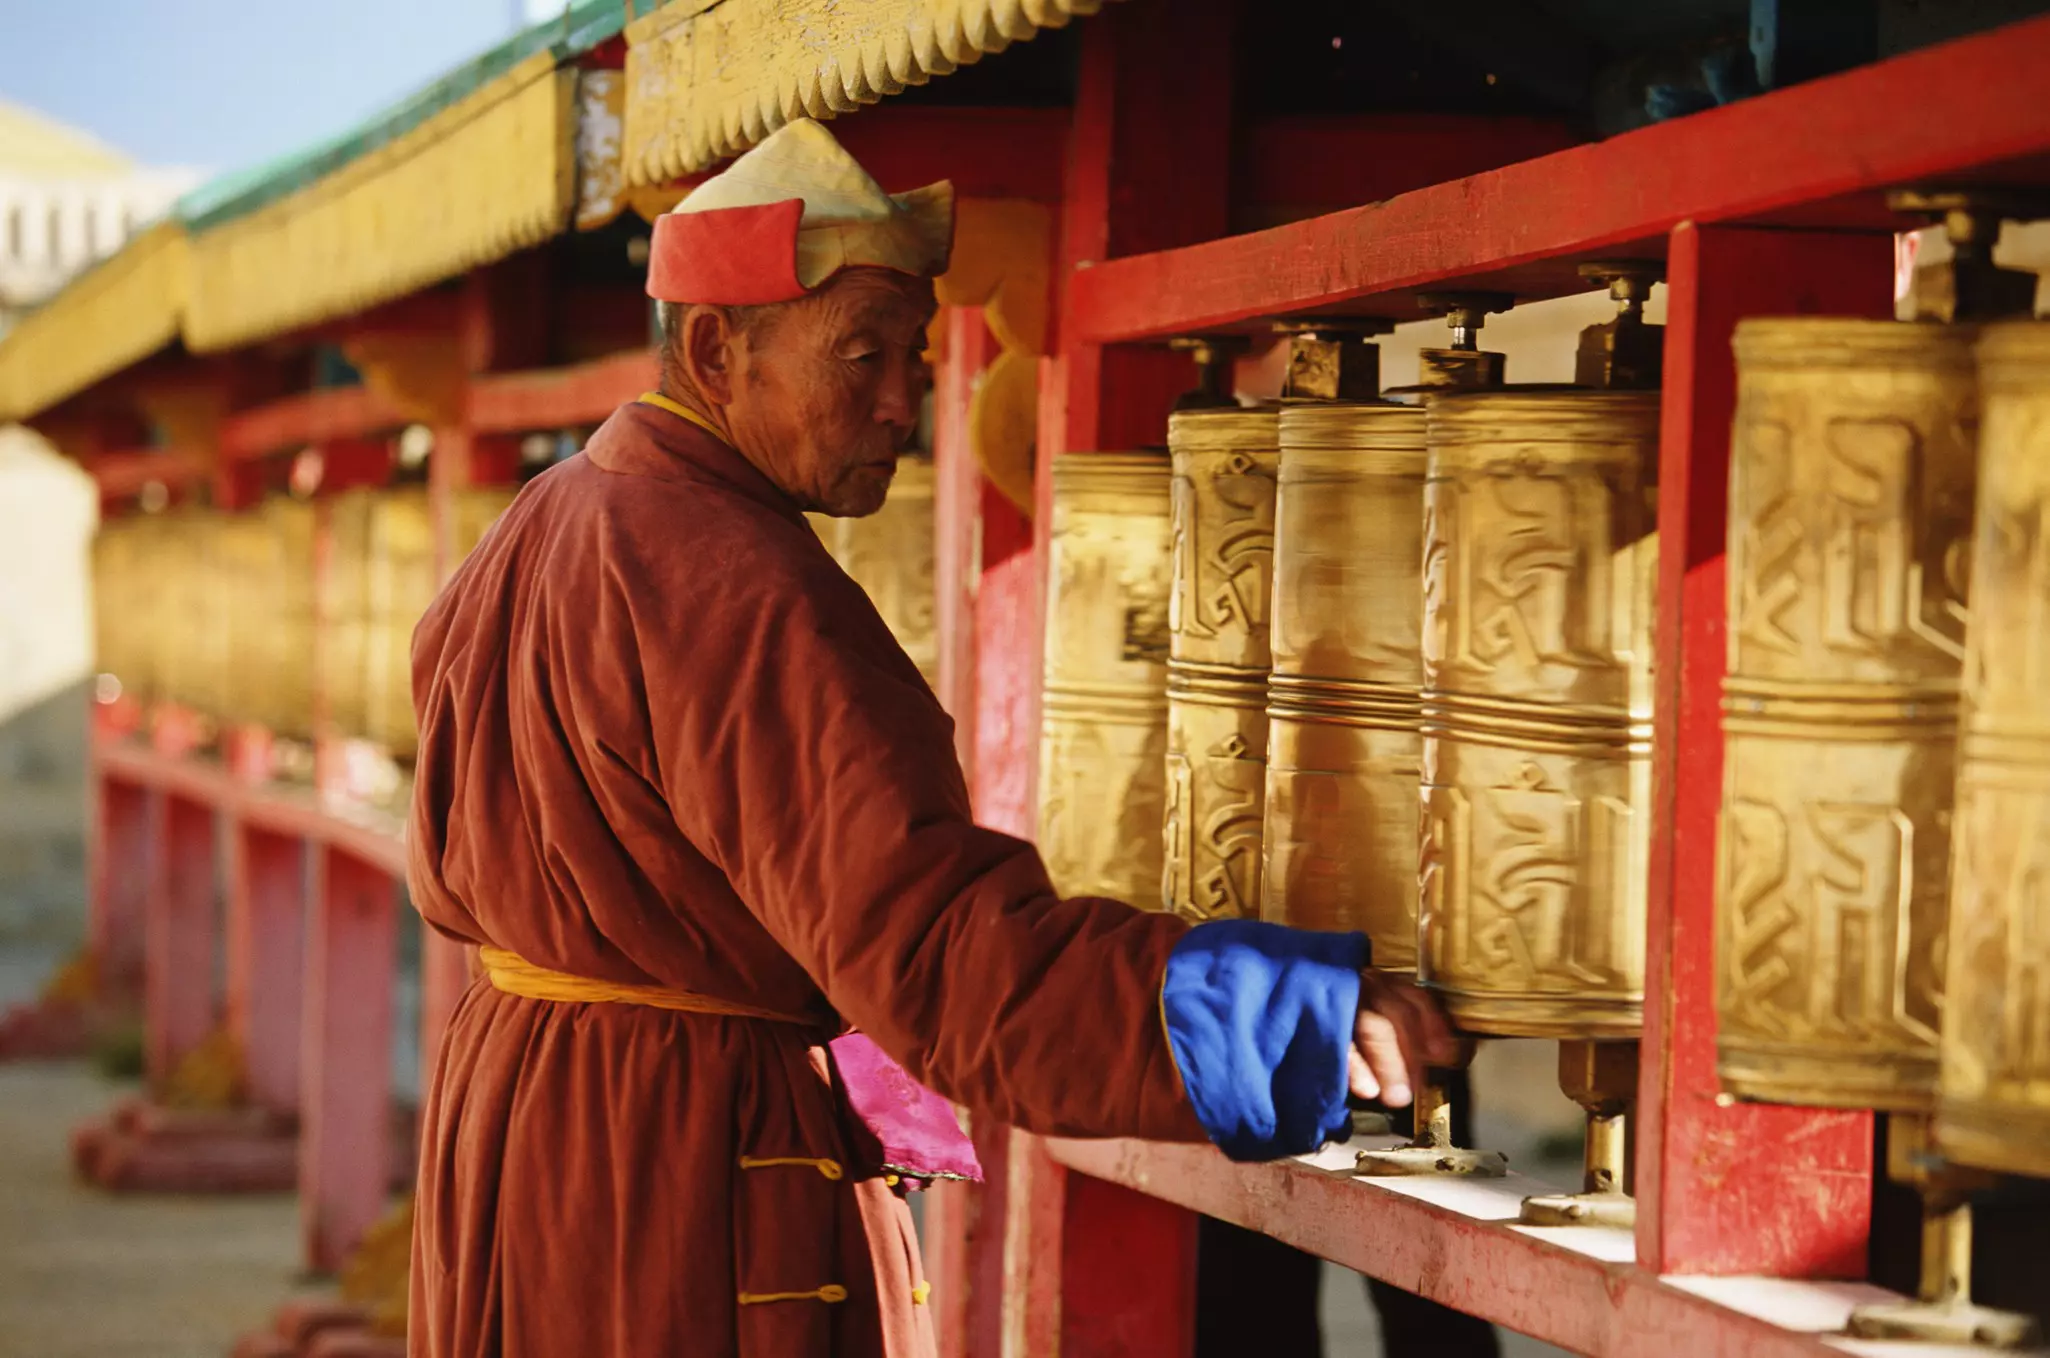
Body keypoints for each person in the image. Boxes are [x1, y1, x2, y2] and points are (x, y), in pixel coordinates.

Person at [405, 116, 1455, 1358]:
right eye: (861, 356)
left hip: (521, 1128)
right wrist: (1286, 1013)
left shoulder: (543, 520)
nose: (904, 399)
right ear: (713, 349)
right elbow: (948, 960)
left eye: (913, 353)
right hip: (679, 1168)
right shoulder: (737, 584)